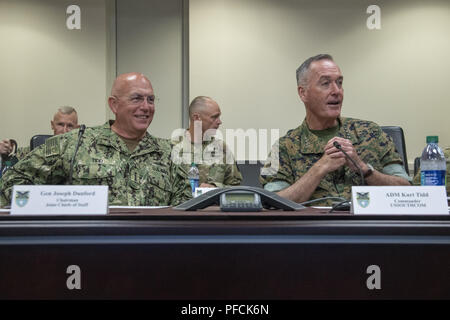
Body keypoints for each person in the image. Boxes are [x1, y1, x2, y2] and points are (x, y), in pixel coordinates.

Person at [0, 72, 191, 207]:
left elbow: (185, 211)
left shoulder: (169, 152)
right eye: (136, 99)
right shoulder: (74, 143)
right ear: (114, 105)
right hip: (88, 251)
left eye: (150, 99)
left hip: (150, 254)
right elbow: (13, 181)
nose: (146, 107)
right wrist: (54, 208)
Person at [260, 54, 411, 205]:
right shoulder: (283, 148)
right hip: (314, 228)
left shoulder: (372, 133)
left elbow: (409, 191)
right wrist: (319, 169)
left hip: (368, 227)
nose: (336, 90)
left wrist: (364, 169)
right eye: (325, 83)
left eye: (339, 83)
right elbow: (272, 203)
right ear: (303, 93)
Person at [171, 96, 242, 188]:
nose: (219, 122)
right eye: (214, 117)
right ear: (196, 118)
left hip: (214, 202)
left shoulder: (222, 149)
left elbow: (236, 188)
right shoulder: (172, 147)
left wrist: (215, 188)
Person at [0, 106, 79, 161]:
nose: (65, 131)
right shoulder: (34, 150)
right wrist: (4, 155)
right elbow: (9, 166)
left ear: (77, 128)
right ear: (52, 125)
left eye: (70, 126)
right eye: (60, 124)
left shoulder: (84, 152)